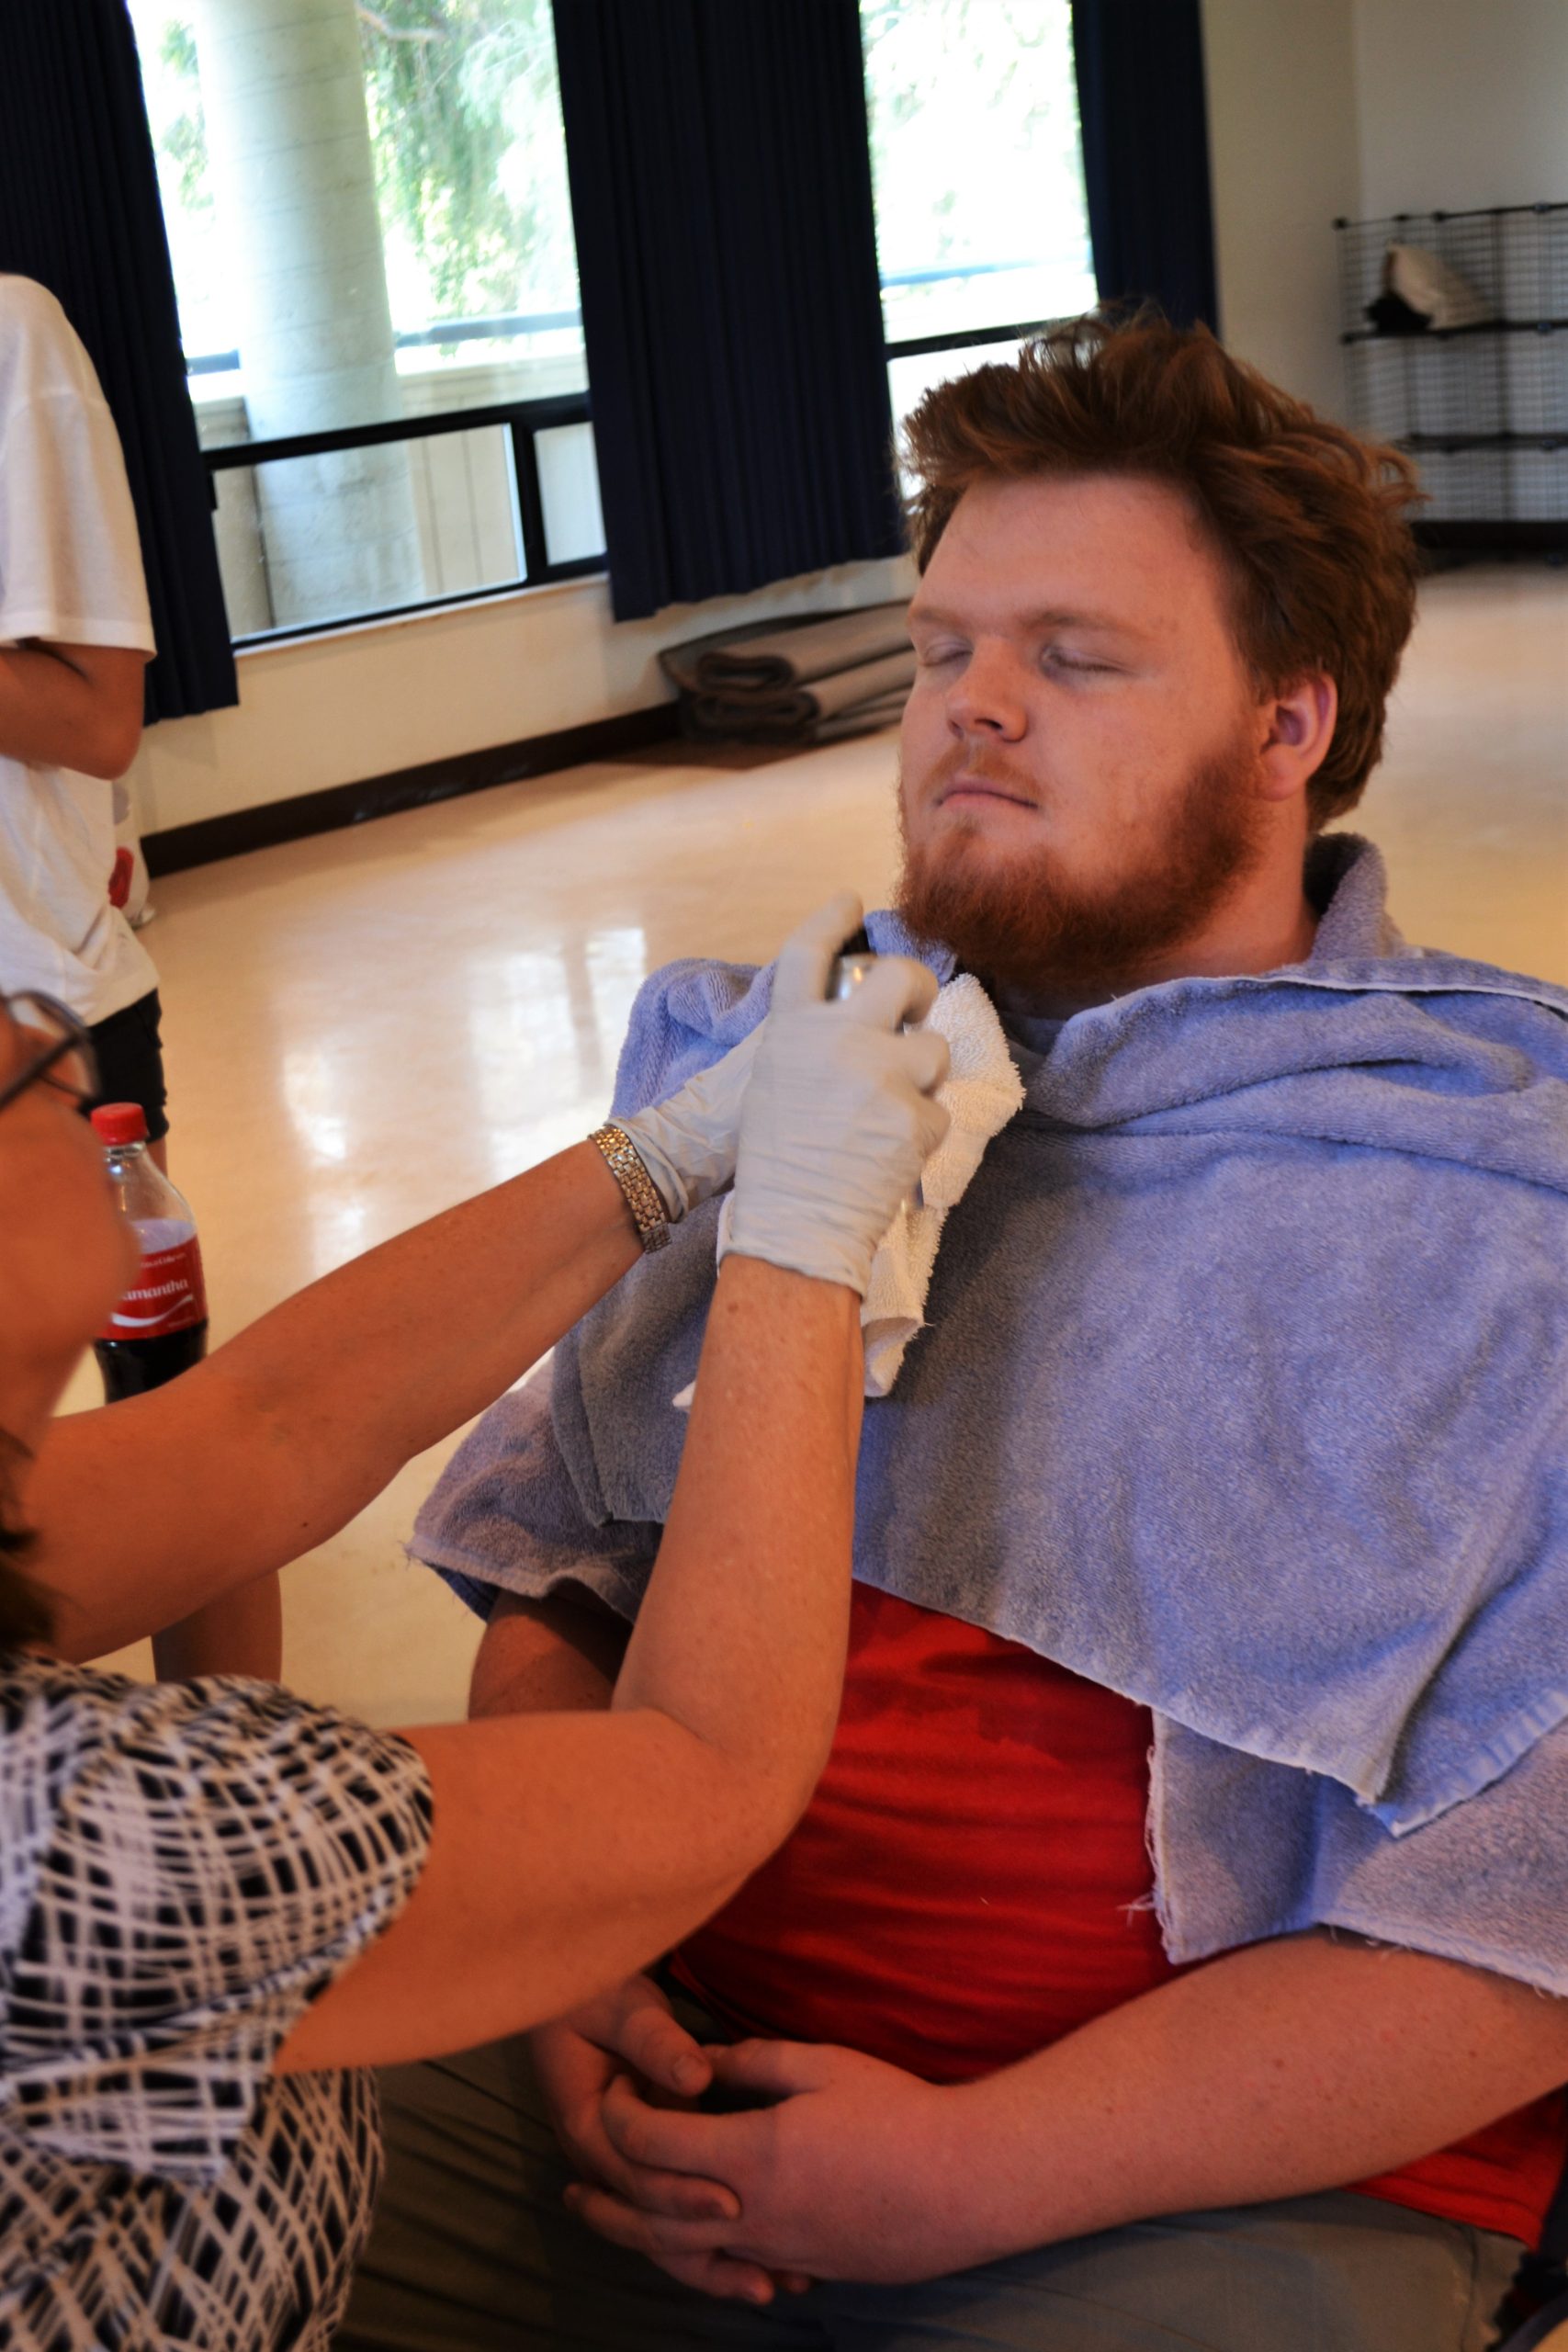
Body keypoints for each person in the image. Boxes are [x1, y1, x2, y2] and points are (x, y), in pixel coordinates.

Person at [346, 317, 1568, 2352]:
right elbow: (560, 1568)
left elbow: (1531, 1899)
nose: (970, 708)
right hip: (645, 2037)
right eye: (940, 650)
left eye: (1073, 658)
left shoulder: (1489, 1197)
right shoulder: (789, 1067)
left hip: (1196, 2169)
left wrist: (977, 2171)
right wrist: (556, 1948)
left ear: (1288, 722)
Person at [0, 898, 948, 2349]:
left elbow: (266, 1430)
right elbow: (705, 1767)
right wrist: (804, 1242)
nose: (56, 1045)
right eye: (12, 1060)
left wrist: (671, 1151)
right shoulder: (83, 1840)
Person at [0, 270, 280, 1681]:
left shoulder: (12, 333)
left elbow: (99, 716)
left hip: (36, 1012)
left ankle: (238, 1771)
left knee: (167, 1428)